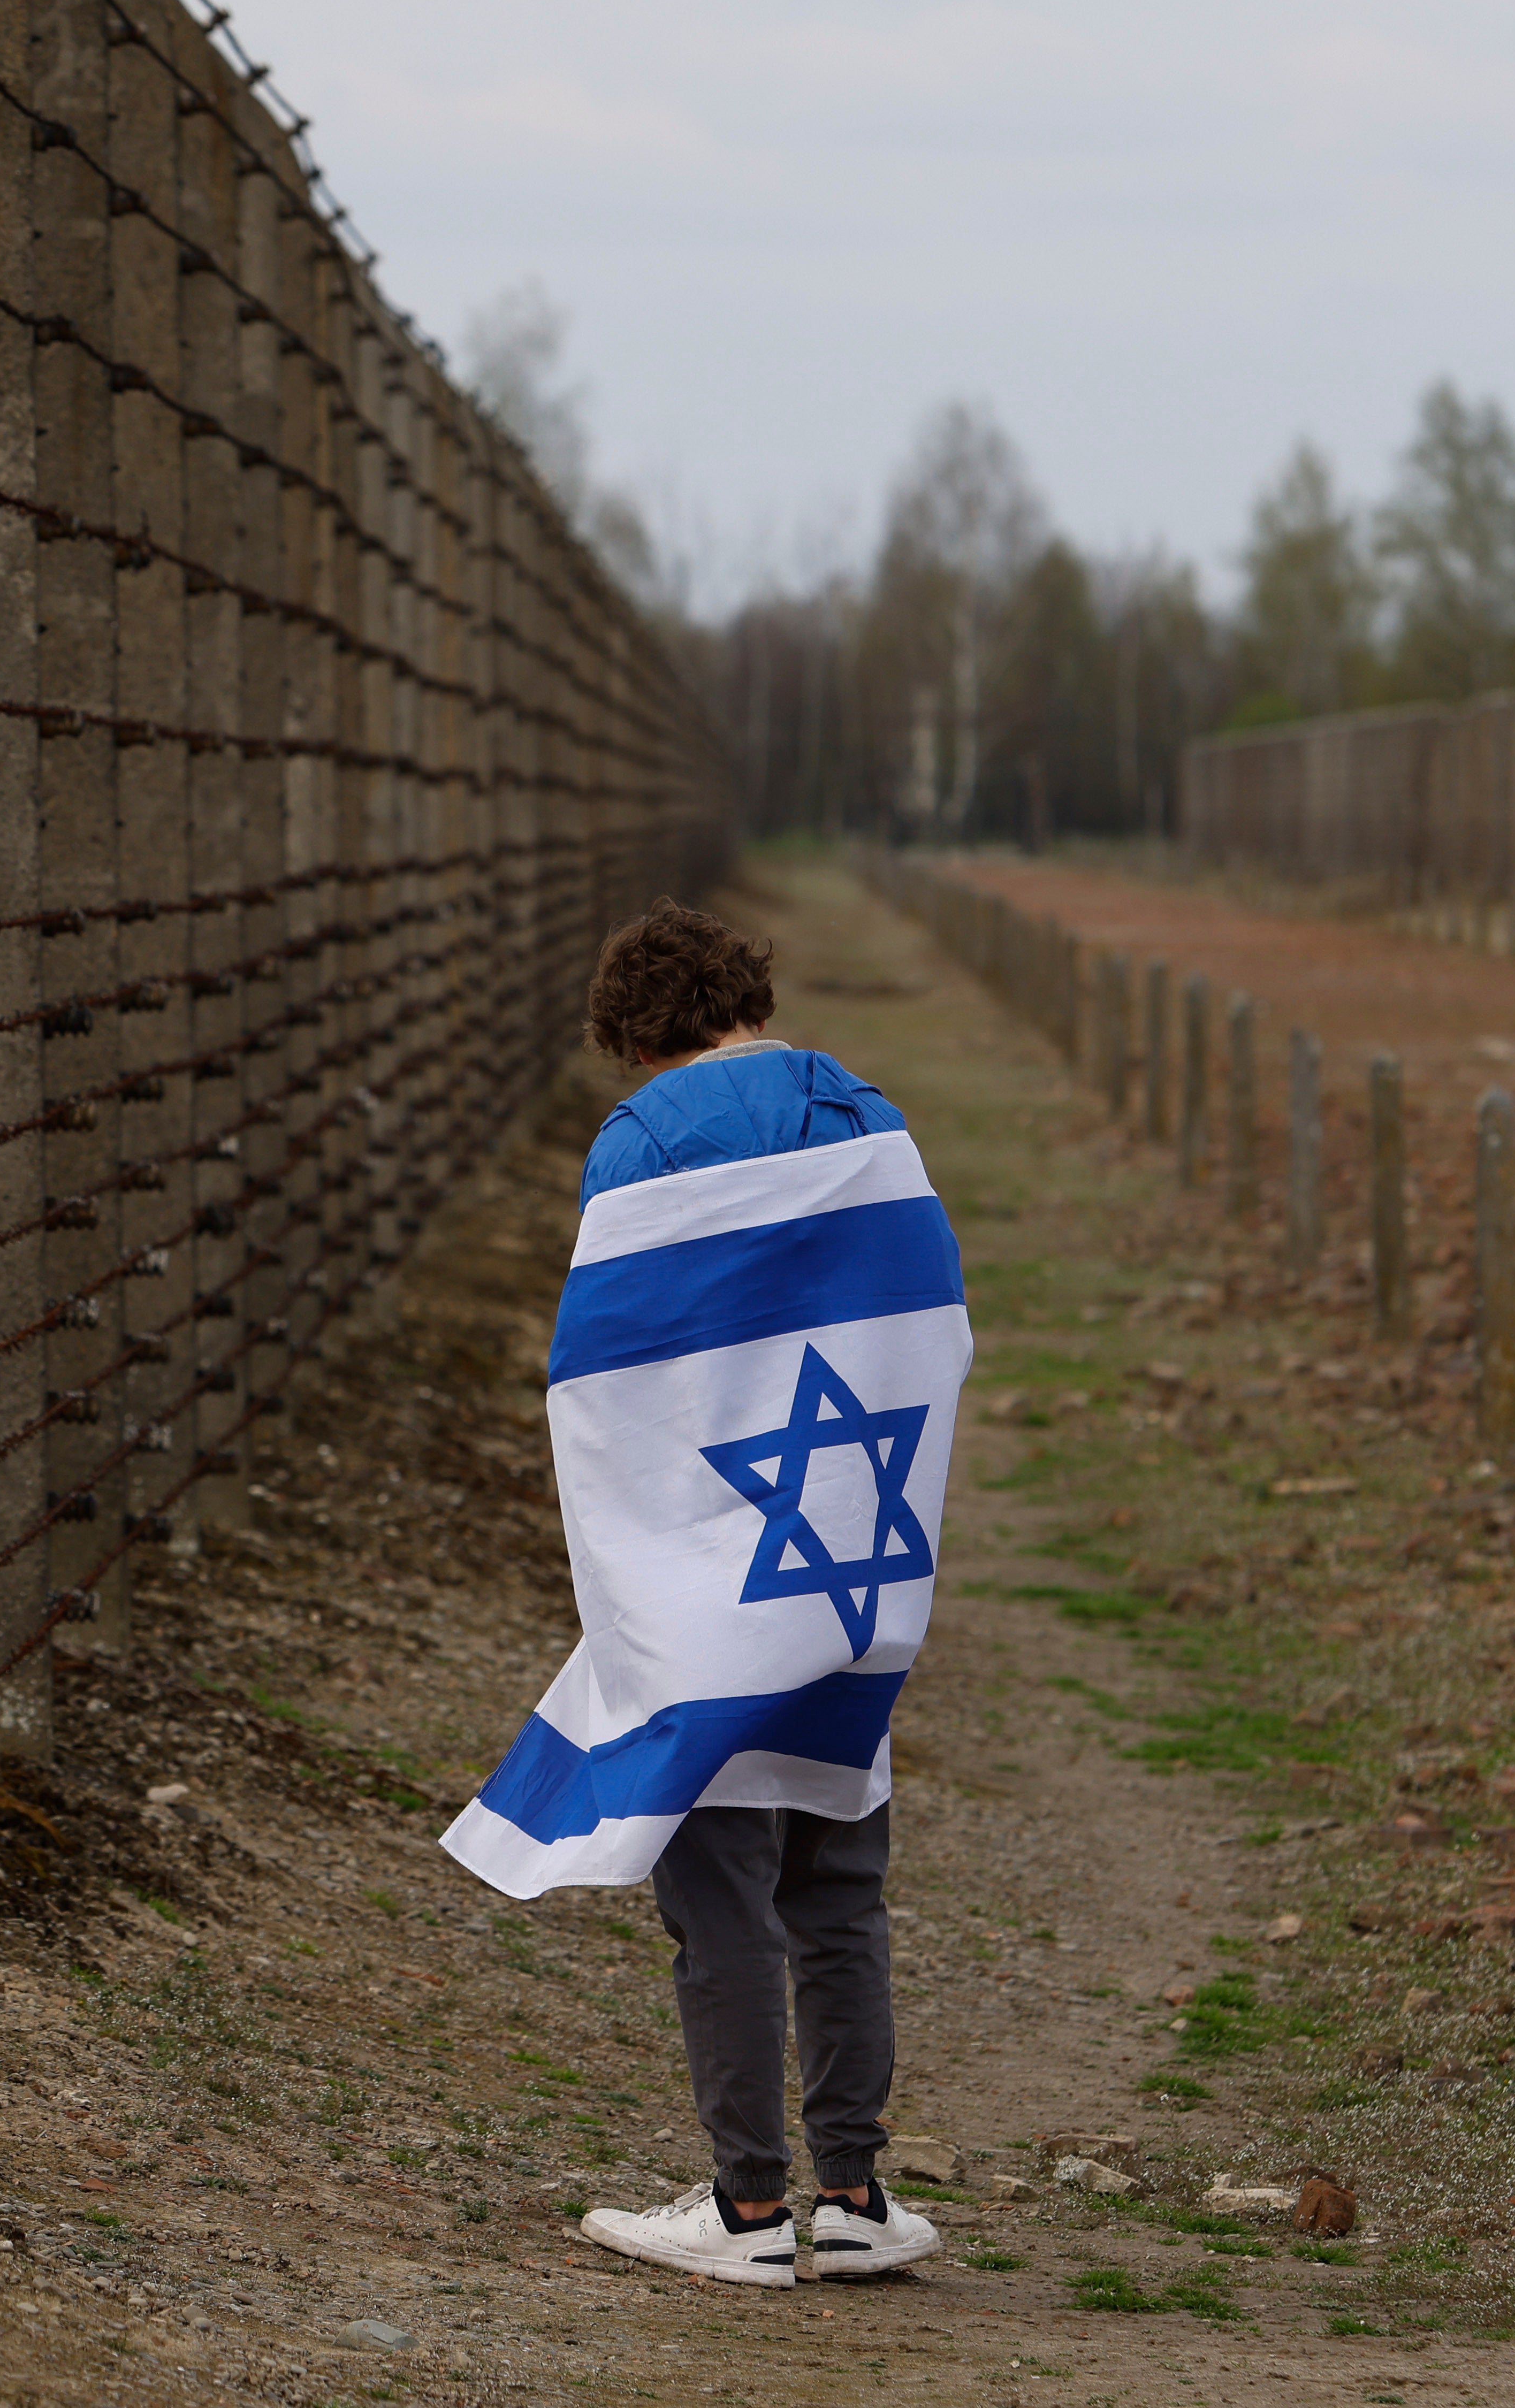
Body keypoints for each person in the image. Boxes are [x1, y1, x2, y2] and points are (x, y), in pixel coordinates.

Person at [438, 898, 970, 2288]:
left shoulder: (645, 1142)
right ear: (747, 989)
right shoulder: (868, 1119)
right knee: (838, 1880)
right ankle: (851, 2195)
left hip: (717, 1578)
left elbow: (616, 1383)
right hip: (845, 1551)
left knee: (721, 1888)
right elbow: (924, 1327)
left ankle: (744, 2213)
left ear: (629, 1031)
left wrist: (636, 1571)